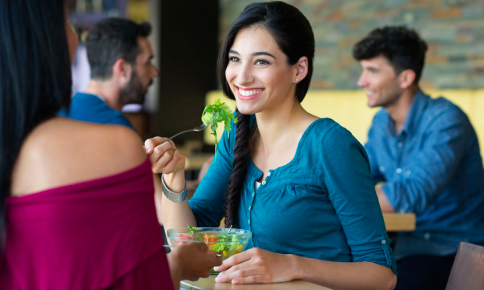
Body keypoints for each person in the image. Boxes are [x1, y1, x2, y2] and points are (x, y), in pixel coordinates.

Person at [145, 2, 397, 289]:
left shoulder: (330, 144)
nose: (241, 76)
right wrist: (174, 176)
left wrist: (290, 264)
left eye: (261, 61)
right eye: (235, 59)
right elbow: (189, 239)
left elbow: (382, 276)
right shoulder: (235, 136)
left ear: (299, 69)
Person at [0, 1, 221, 289]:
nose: (154, 72)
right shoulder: (115, 142)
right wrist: (179, 261)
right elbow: (145, 266)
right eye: (148, 61)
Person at [353, 26, 484, 290]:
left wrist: (339, 198)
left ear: (405, 78)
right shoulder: (381, 123)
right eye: (363, 69)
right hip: (404, 244)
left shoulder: (446, 121)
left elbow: (411, 193)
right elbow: (356, 175)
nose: (361, 81)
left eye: (373, 71)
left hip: (452, 249)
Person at [59, 18, 167, 224]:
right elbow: (162, 212)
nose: (155, 72)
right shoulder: (116, 127)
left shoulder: (62, 112)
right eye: (147, 62)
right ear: (122, 69)